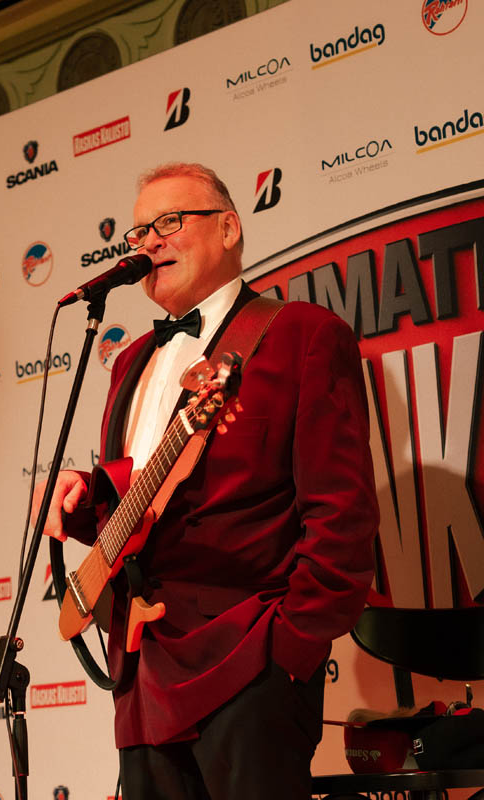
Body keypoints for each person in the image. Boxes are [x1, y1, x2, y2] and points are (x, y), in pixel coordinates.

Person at [32, 163, 379, 799]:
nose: (149, 242)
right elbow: (148, 503)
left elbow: (343, 517)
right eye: (140, 232)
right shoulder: (129, 361)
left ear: (228, 228)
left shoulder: (301, 335)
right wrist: (86, 495)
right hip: (142, 673)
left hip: (250, 662)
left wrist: (288, 651)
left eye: (169, 221)